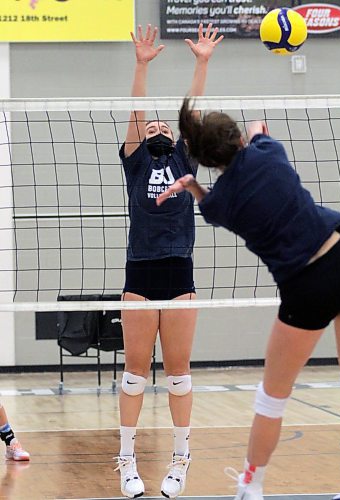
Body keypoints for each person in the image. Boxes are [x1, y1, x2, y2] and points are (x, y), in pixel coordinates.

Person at [157, 97, 340, 500]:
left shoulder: (220, 206)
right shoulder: (268, 153)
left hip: (305, 287)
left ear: (208, 161)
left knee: (273, 397)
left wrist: (190, 183)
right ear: (239, 138)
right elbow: (261, 130)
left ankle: (251, 486)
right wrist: (252, 130)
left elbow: (206, 201)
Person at [115, 25, 223, 499]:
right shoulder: (136, 161)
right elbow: (138, 113)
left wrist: (202, 62)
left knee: (178, 375)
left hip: (179, 274)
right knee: (135, 376)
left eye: (164, 126)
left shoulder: (184, 158)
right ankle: (127, 462)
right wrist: (141, 64)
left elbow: (191, 113)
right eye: (152, 126)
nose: (158, 128)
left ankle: (181, 461)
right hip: (140, 274)